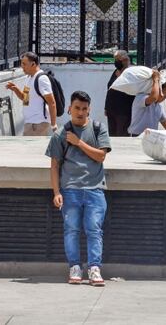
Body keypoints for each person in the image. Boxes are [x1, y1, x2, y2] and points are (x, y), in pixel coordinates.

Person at [45, 91, 111, 286]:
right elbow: (54, 165)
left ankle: (94, 268)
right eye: (77, 108)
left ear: (89, 109)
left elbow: (101, 156)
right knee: (71, 230)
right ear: (69, 109)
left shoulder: (98, 128)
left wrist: (78, 142)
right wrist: (56, 192)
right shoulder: (60, 134)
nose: (80, 112)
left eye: (84, 108)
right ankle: (74, 267)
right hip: (70, 189)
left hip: (95, 189)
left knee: (94, 230)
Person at [6, 51, 57, 136]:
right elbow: (25, 99)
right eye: (21, 64)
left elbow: (51, 102)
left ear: (33, 64)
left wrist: (53, 124)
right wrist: (16, 90)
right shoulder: (29, 78)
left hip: (38, 124)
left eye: (24, 64)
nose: (22, 66)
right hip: (30, 123)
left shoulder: (42, 79)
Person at [126, 68, 166, 136]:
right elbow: (154, 97)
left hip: (150, 136)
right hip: (137, 135)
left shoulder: (159, 105)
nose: (165, 96)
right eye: (165, 92)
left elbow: (165, 122)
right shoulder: (141, 98)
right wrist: (155, 80)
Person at [104, 51, 134, 137]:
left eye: (118, 59)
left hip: (124, 112)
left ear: (126, 60)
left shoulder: (130, 74)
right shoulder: (115, 72)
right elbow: (110, 89)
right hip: (112, 110)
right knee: (112, 135)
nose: (116, 61)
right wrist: (106, 107)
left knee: (122, 135)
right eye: (115, 59)